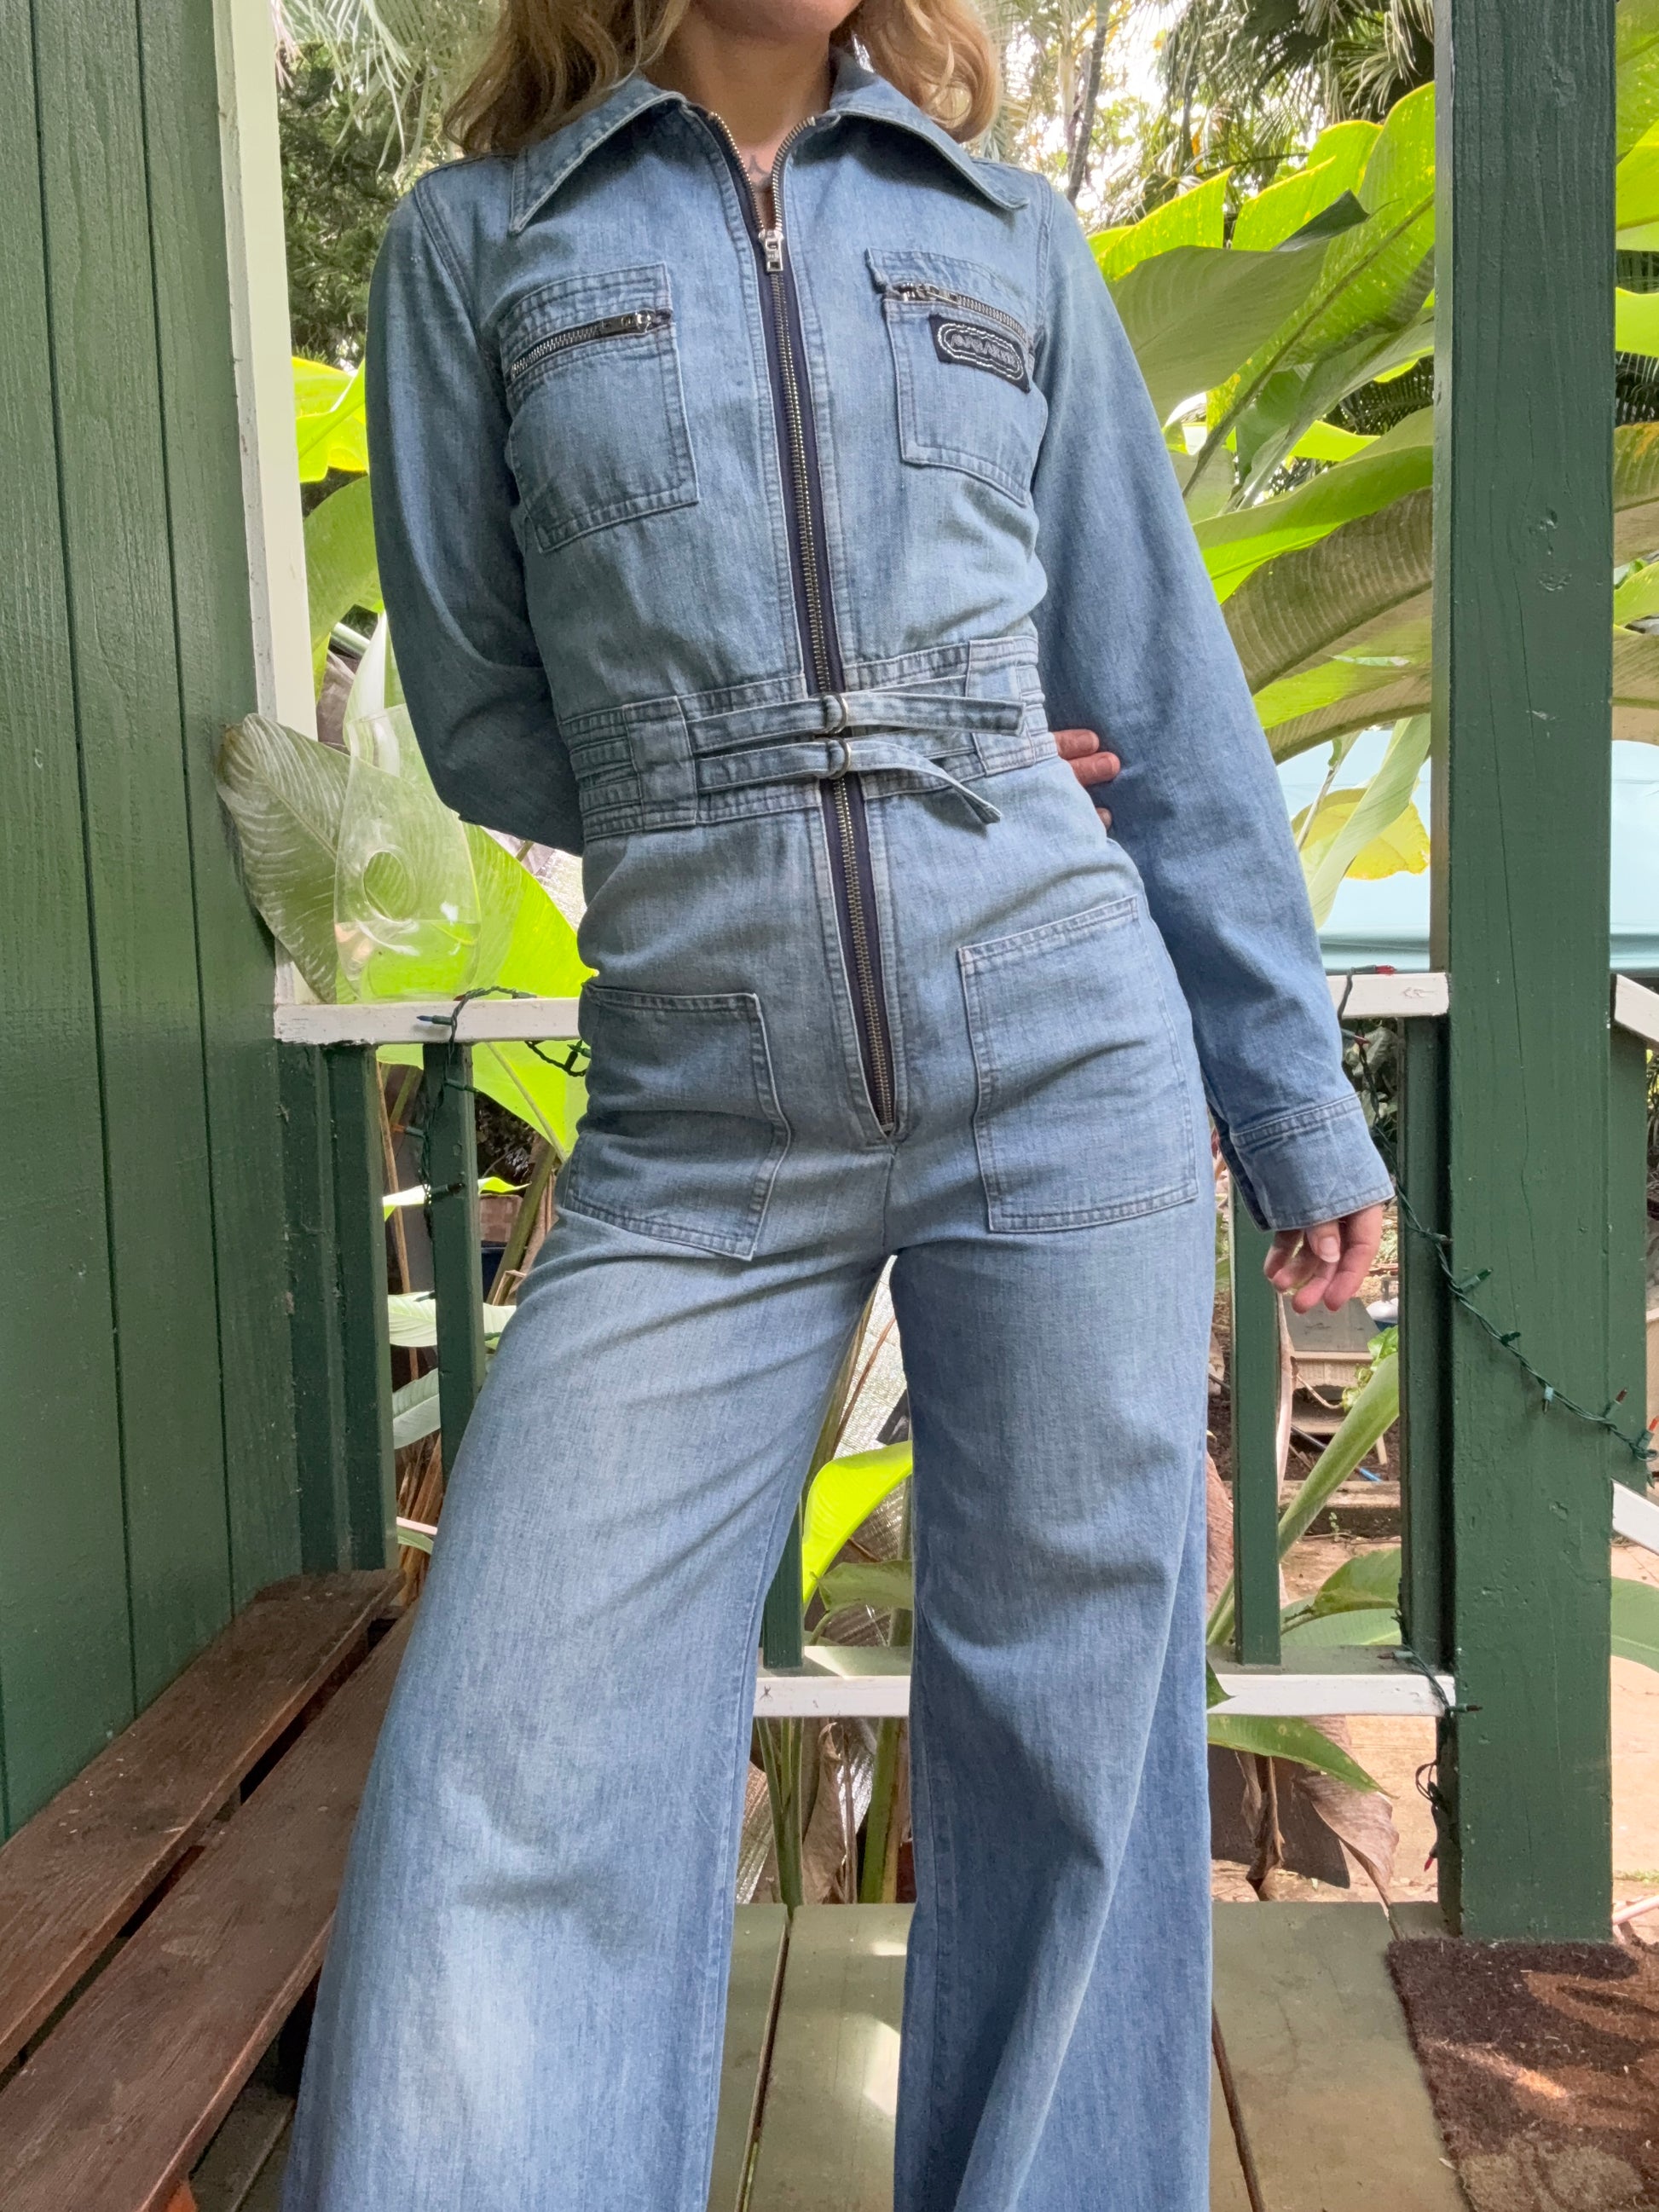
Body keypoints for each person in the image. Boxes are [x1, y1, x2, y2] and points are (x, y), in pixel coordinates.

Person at [282, 4, 1390, 2207]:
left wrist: (1291, 1101)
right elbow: (483, 703)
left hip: (1061, 1051)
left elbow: (1156, 688)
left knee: (1071, 1728)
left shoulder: (1008, 232)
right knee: (515, 1743)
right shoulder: (475, 245)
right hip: (697, 1105)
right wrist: (775, 758)